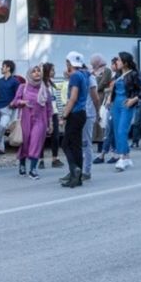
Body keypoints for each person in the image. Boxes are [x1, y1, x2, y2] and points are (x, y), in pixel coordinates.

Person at [11, 63, 53, 178]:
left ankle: (33, 169)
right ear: (29, 74)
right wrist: (22, 102)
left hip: (40, 121)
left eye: (38, 71)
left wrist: (50, 123)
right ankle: (22, 164)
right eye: (34, 71)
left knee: (36, 143)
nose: (37, 73)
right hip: (25, 120)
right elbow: (14, 102)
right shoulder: (23, 87)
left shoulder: (44, 89)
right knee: (25, 144)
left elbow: (49, 107)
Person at [58, 51, 90, 188]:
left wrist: (64, 115)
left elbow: (73, 97)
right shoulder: (83, 74)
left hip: (75, 113)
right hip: (82, 113)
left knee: (65, 144)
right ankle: (77, 177)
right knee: (76, 146)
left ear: (69, 63)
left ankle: (74, 169)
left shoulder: (75, 76)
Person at [110, 52, 141, 171]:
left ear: (125, 62)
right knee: (116, 130)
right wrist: (110, 99)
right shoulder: (117, 74)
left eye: (118, 60)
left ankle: (122, 157)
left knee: (121, 131)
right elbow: (113, 89)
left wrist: (133, 100)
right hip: (116, 105)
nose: (116, 62)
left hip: (126, 104)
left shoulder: (133, 74)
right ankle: (126, 156)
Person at [0, 60, 20, 155]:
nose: (1, 68)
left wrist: (12, 103)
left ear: (8, 68)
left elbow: (18, 95)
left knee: (2, 126)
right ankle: (1, 149)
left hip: (7, 108)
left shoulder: (15, 81)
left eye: (3, 66)